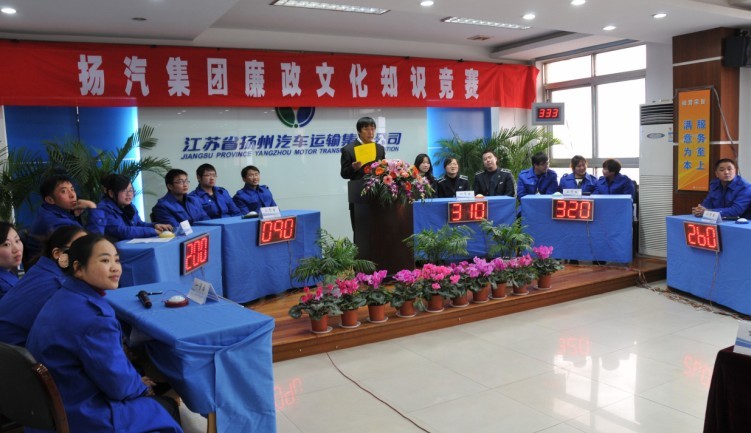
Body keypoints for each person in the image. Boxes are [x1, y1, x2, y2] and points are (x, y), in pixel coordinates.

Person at [26, 235, 183, 433]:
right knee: (165, 407)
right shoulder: (94, 318)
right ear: (78, 268)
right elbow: (118, 386)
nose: (115, 267)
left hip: (48, 411)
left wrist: (134, 382)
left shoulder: (63, 296)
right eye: (105, 260)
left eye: (117, 260)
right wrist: (140, 387)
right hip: (83, 415)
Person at [0, 226, 87, 346]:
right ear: (57, 254)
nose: (16, 249)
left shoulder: (41, 270)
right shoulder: (58, 285)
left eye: (17, 240)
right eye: (80, 250)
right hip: (15, 351)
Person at [27, 173, 105, 260]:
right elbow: (92, 244)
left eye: (72, 189)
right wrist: (92, 207)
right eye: (63, 191)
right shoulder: (55, 222)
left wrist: (74, 215)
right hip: (54, 266)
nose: (72, 195)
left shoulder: (48, 210)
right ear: (50, 200)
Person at [99, 174, 173, 241]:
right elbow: (122, 231)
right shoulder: (103, 210)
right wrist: (152, 231)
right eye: (123, 190)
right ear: (111, 193)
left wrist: (155, 226)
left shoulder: (130, 207)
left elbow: (139, 224)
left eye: (130, 190)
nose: (129, 194)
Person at [340, 116, 387, 181]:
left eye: (372, 129)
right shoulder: (348, 150)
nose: (370, 132)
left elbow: (384, 170)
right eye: (366, 129)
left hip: (377, 185)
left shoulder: (380, 148)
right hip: (358, 186)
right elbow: (344, 174)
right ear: (359, 131)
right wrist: (353, 168)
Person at [0, 222, 23, 300]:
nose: (17, 249)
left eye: (17, 240)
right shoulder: (4, 288)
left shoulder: (9, 271)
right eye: (6, 244)